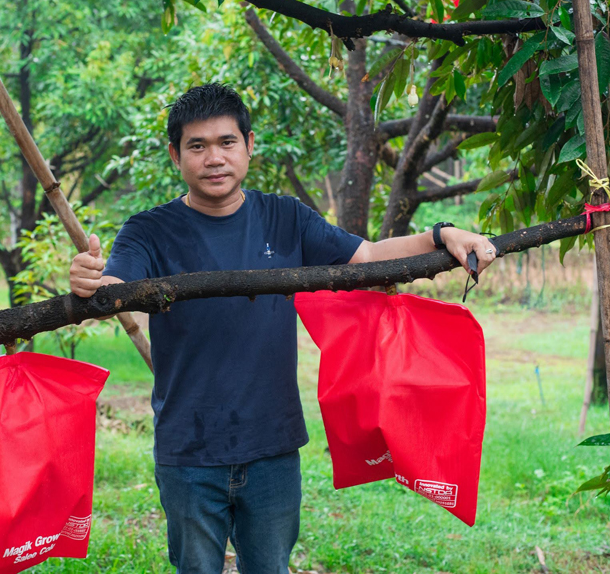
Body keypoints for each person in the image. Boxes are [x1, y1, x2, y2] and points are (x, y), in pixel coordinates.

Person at [69, 83, 497, 574]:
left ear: (249, 145)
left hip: (273, 447)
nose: (214, 158)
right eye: (197, 146)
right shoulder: (148, 230)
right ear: (175, 155)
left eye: (227, 142)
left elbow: (371, 257)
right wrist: (92, 283)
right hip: (188, 450)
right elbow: (115, 288)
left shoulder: (285, 218)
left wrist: (443, 234)